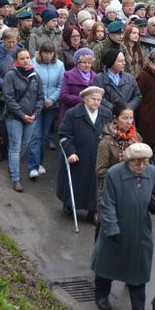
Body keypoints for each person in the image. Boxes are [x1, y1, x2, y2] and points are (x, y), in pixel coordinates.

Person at [91, 143, 155, 310]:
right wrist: (112, 228)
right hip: (118, 227)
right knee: (108, 264)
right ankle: (102, 295)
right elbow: (107, 204)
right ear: (128, 160)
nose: (141, 166)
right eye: (137, 162)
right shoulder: (114, 174)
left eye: (145, 162)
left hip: (140, 229)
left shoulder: (151, 172)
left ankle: (138, 308)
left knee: (139, 268)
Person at [57, 86, 113, 223]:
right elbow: (64, 135)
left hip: (98, 156)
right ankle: (69, 204)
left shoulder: (106, 114)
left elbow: (110, 134)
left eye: (99, 100)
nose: (96, 102)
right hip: (78, 154)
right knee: (77, 182)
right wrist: (70, 152)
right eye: (93, 99)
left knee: (96, 184)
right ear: (85, 99)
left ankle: (93, 211)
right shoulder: (73, 113)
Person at [3, 49, 44, 192]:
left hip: (31, 117)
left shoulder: (35, 76)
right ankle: (16, 178)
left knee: (24, 145)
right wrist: (22, 115)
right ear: (16, 60)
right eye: (22, 58)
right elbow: (9, 98)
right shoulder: (11, 75)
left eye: (27, 58)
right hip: (14, 116)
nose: (26, 61)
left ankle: (12, 166)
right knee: (16, 145)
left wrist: (35, 114)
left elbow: (40, 97)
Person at [0, 28, 24, 161]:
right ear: (3, 40)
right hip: (0, 90)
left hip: (16, 91)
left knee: (13, 120)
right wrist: (5, 84)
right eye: (9, 42)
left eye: (14, 42)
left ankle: (8, 147)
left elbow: (24, 69)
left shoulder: (20, 52)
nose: (12, 45)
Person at [27, 41, 64, 179]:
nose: (48, 56)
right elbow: (31, 84)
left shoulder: (59, 65)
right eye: (45, 53)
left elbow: (61, 85)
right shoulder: (33, 64)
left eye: (50, 53)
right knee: (35, 135)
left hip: (51, 106)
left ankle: (40, 163)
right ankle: (32, 166)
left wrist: (52, 99)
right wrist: (42, 100)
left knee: (43, 135)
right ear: (40, 53)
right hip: (36, 105)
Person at [95, 102, 142, 210]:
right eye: (125, 118)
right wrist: (124, 178)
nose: (129, 122)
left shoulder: (136, 137)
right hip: (111, 193)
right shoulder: (106, 142)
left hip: (133, 191)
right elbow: (100, 171)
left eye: (131, 118)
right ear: (115, 119)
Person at [92, 48, 142, 113]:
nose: (124, 63)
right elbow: (98, 97)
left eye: (124, 60)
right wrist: (115, 109)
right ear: (112, 63)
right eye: (120, 61)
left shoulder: (130, 78)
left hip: (127, 117)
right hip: (108, 117)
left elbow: (137, 96)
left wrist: (128, 108)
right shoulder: (99, 78)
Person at [58, 48, 97, 124]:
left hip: (90, 115)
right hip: (71, 114)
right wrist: (83, 100)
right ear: (78, 63)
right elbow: (63, 96)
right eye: (84, 62)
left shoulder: (96, 76)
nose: (87, 65)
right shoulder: (68, 75)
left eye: (89, 62)